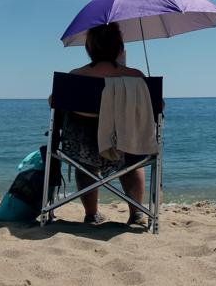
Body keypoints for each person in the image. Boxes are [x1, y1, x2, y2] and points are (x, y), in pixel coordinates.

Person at [51, 22, 147, 225]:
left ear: (88, 49)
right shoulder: (135, 76)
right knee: (133, 158)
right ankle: (137, 212)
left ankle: (91, 214)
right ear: (120, 48)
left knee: (84, 164)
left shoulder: (74, 77)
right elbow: (157, 108)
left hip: (83, 147)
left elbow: (54, 102)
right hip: (123, 143)